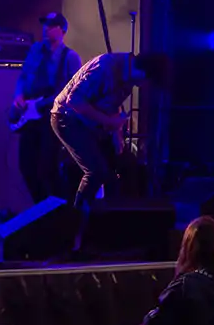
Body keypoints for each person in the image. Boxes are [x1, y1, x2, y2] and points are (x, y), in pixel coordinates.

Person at [50, 49, 172, 215]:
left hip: (90, 123)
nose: (146, 88)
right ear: (144, 74)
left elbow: (110, 105)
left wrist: (116, 133)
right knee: (96, 171)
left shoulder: (128, 78)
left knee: (127, 164)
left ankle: (114, 218)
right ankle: (77, 219)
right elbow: (75, 101)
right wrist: (108, 122)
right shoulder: (106, 67)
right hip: (67, 119)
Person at [12, 12, 81, 202]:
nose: (46, 28)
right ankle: (41, 207)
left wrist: (44, 103)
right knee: (26, 166)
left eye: (51, 25)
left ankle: (58, 208)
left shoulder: (70, 57)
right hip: (30, 116)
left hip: (52, 118)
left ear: (62, 30)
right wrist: (18, 96)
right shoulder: (35, 50)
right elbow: (23, 77)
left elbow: (74, 92)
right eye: (45, 24)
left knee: (47, 168)